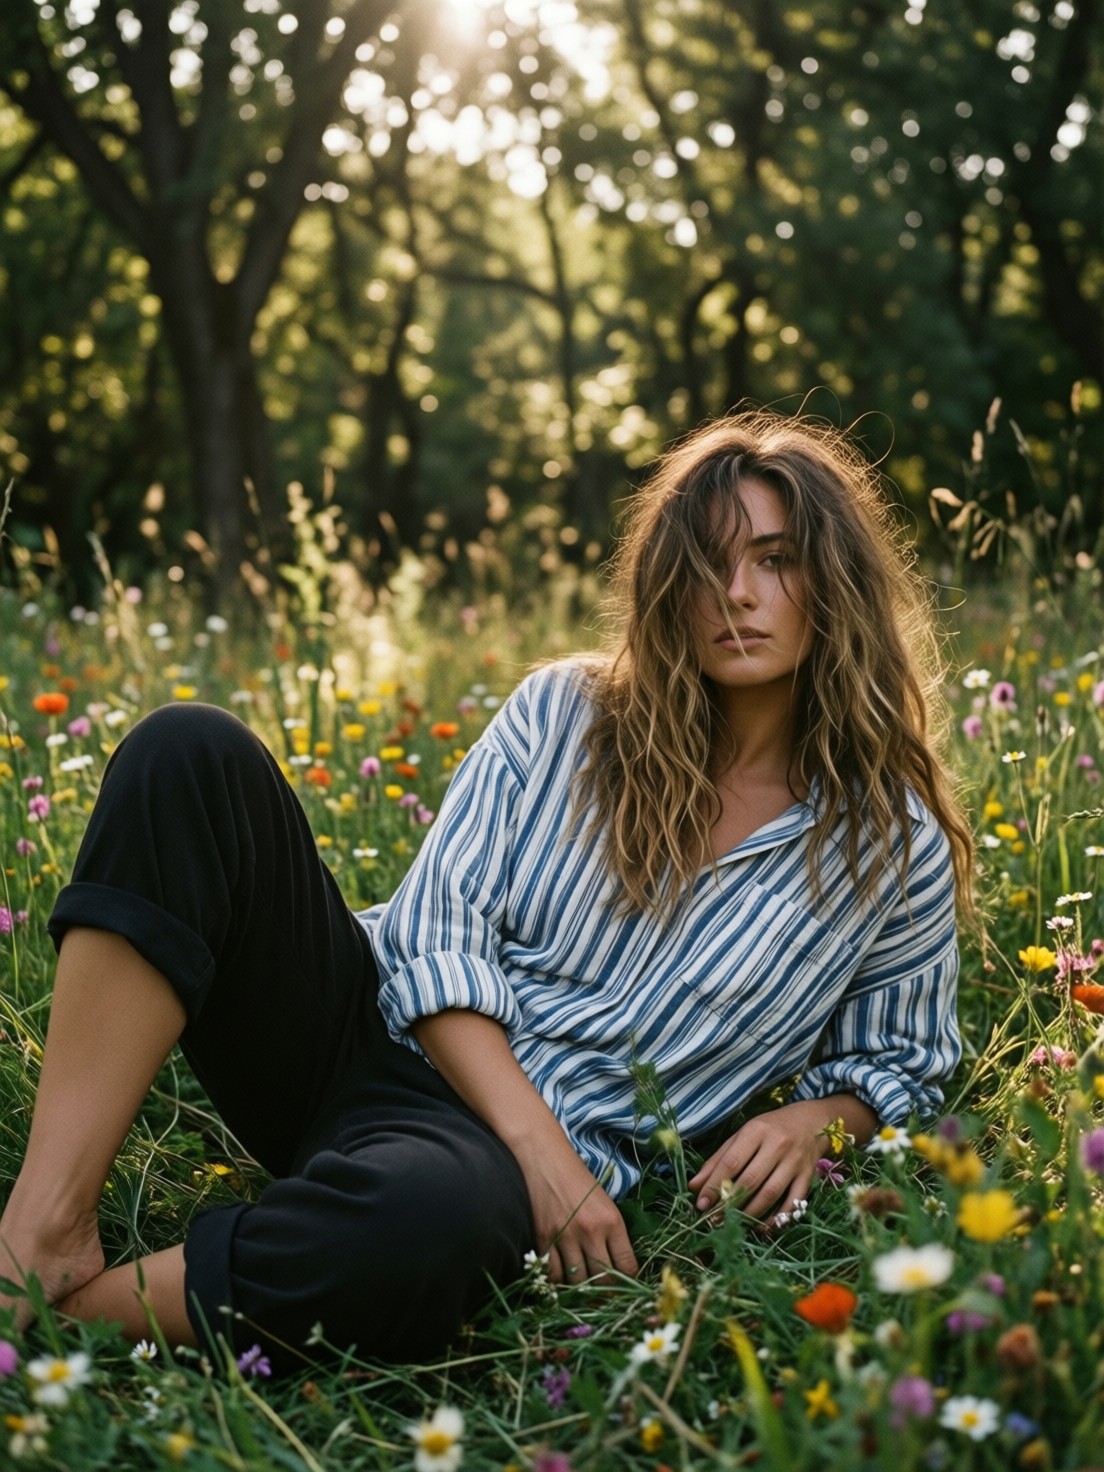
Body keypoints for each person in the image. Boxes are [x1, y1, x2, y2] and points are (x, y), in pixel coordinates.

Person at [0, 408, 972, 1372]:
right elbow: (432, 933)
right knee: (189, 751)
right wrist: (545, 1156)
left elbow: (900, 1054)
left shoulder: (888, 844)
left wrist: (816, 1117)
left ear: (834, 580)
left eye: (775, 557)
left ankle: (82, 1314)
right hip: (353, 1023)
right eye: (706, 563)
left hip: (455, 1164)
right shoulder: (567, 714)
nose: (735, 593)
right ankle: (42, 1230)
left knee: (426, 1222)